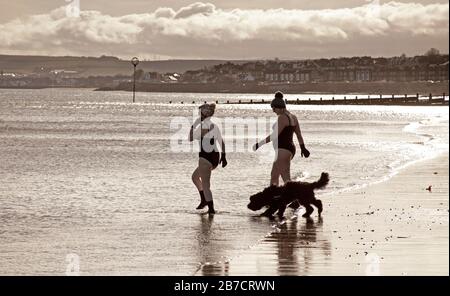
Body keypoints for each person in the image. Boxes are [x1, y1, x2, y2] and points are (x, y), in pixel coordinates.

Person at [253, 91, 310, 186]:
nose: (273, 110)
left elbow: (274, 135)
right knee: (286, 178)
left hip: (283, 150)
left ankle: (273, 197)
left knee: (274, 175)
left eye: (273, 108)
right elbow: (298, 134)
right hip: (290, 150)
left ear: (278, 107)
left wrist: (260, 144)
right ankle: (293, 198)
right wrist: (303, 148)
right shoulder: (293, 117)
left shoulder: (282, 118)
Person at [189, 103, 227, 214]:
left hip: (205, 157)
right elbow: (221, 142)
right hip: (215, 156)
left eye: (200, 112)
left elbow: (190, 138)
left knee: (206, 184)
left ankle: (211, 209)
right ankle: (204, 200)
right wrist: (224, 157)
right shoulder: (214, 126)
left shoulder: (203, 126)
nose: (198, 114)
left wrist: (193, 126)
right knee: (195, 177)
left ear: (203, 114)